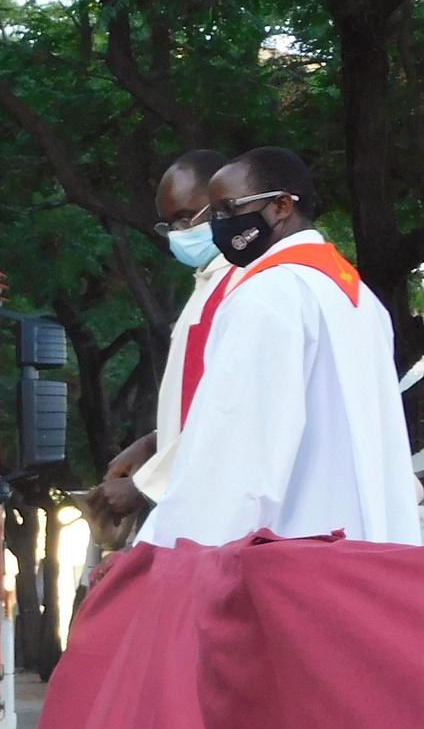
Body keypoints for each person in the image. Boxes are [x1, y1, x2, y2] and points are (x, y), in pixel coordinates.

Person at [136, 147, 423, 547]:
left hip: (292, 550)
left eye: (227, 210)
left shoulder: (269, 293)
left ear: (281, 206)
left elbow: (237, 456)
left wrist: (168, 550)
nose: (218, 226)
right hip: (364, 549)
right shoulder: (356, 296)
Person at [86, 150, 233, 537]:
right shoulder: (210, 284)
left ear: (224, 205)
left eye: (187, 217)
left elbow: (235, 411)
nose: (181, 234)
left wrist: (145, 484)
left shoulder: (243, 289)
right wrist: (154, 442)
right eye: (170, 225)